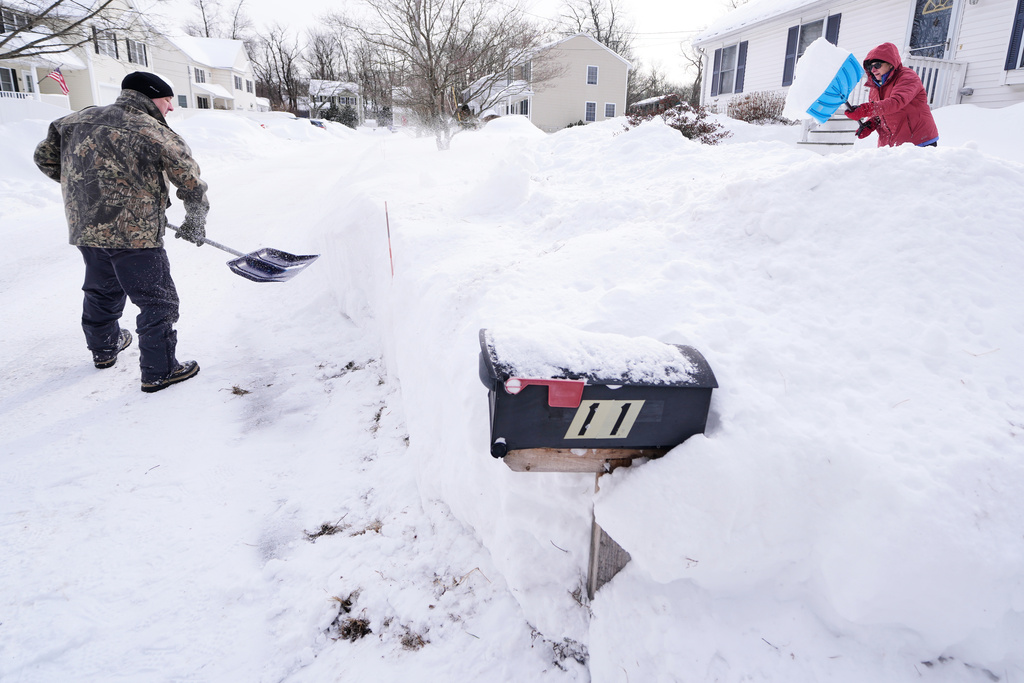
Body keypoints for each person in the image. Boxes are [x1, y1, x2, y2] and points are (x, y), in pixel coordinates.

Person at [34, 71, 209, 393]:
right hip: (135, 235)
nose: (170, 107)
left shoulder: (73, 120)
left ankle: (104, 348)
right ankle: (160, 370)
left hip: (86, 227)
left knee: (102, 289)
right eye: (168, 99)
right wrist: (196, 219)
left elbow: (44, 158)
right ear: (151, 96)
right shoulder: (152, 129)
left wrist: (88, 192)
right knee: (157, 301)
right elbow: (189, 180)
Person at [844, 42, 939, 148]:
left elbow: (896, 102)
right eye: (870, 67)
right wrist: (871, 124)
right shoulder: (875, 87)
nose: (873, 70)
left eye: (877, 65)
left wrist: (866, 109)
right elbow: (881, 114)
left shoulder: (907, 77)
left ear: (890, 63)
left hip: (919, 142)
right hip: (891, 145)